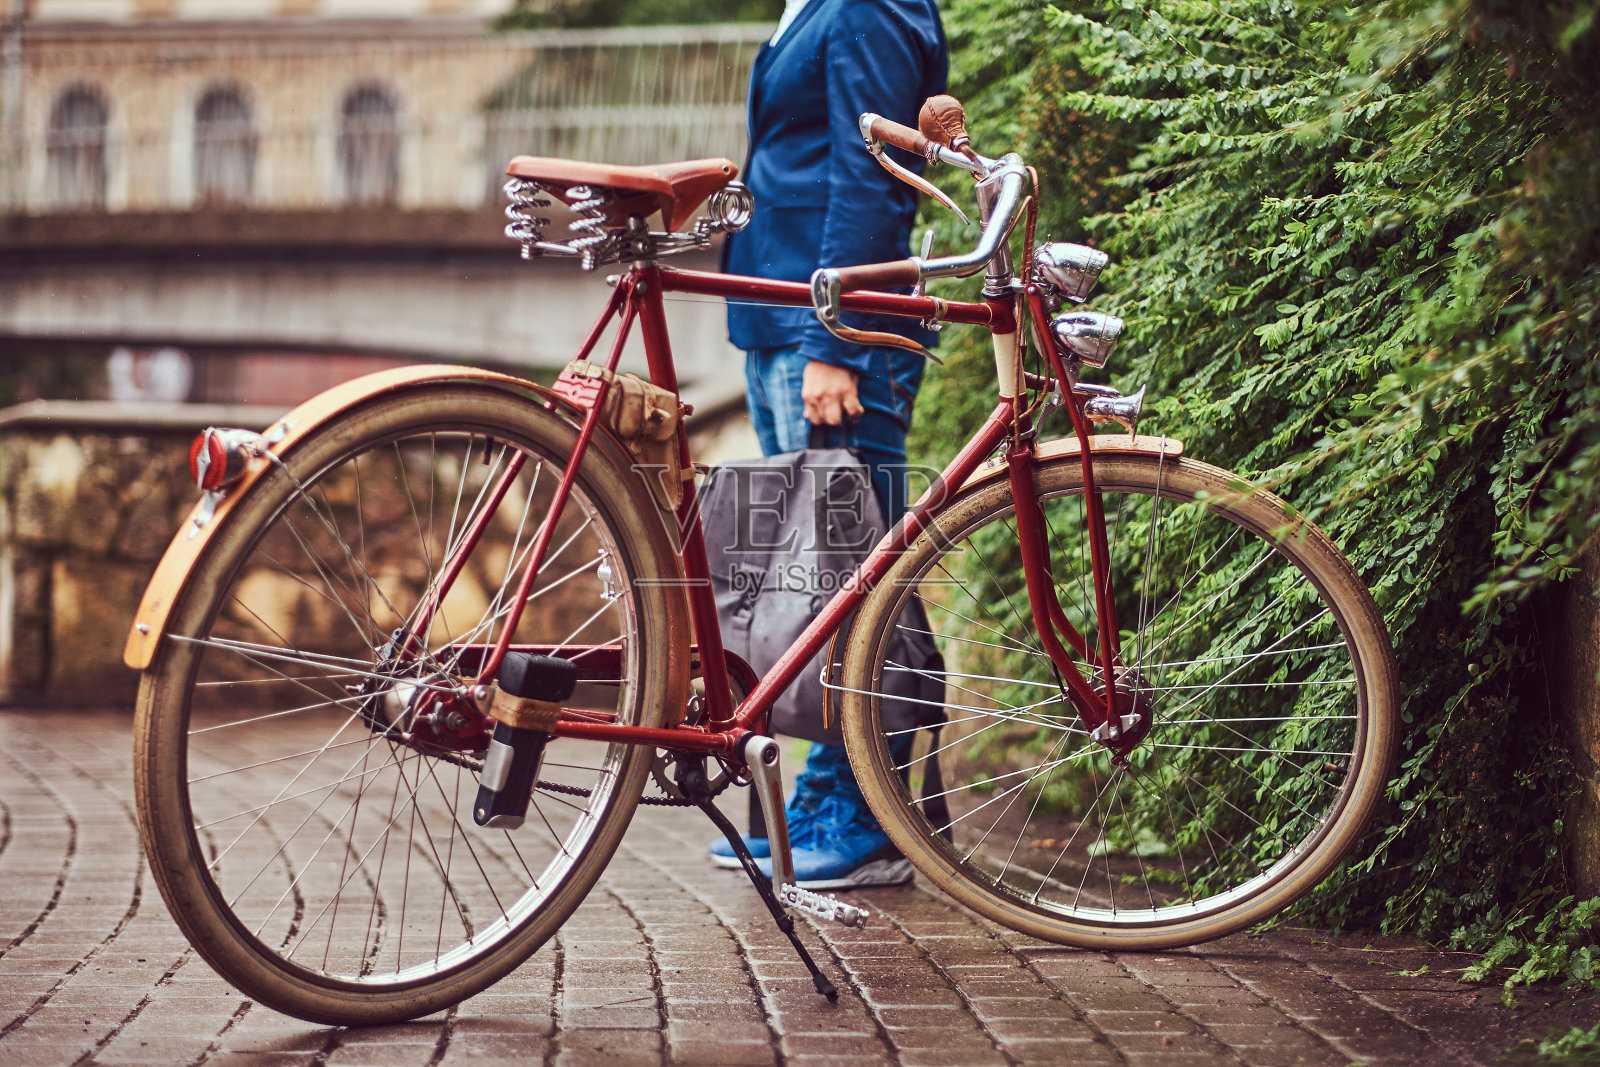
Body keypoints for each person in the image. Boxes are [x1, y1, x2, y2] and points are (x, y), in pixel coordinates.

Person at [711, 0, 949, 888]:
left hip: (831, 328)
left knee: (857, 579)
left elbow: (871, 164)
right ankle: (829, 785)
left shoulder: (867, 4)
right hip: (782, 313)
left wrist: (835, 338)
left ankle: (870, 812)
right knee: (821, 577)